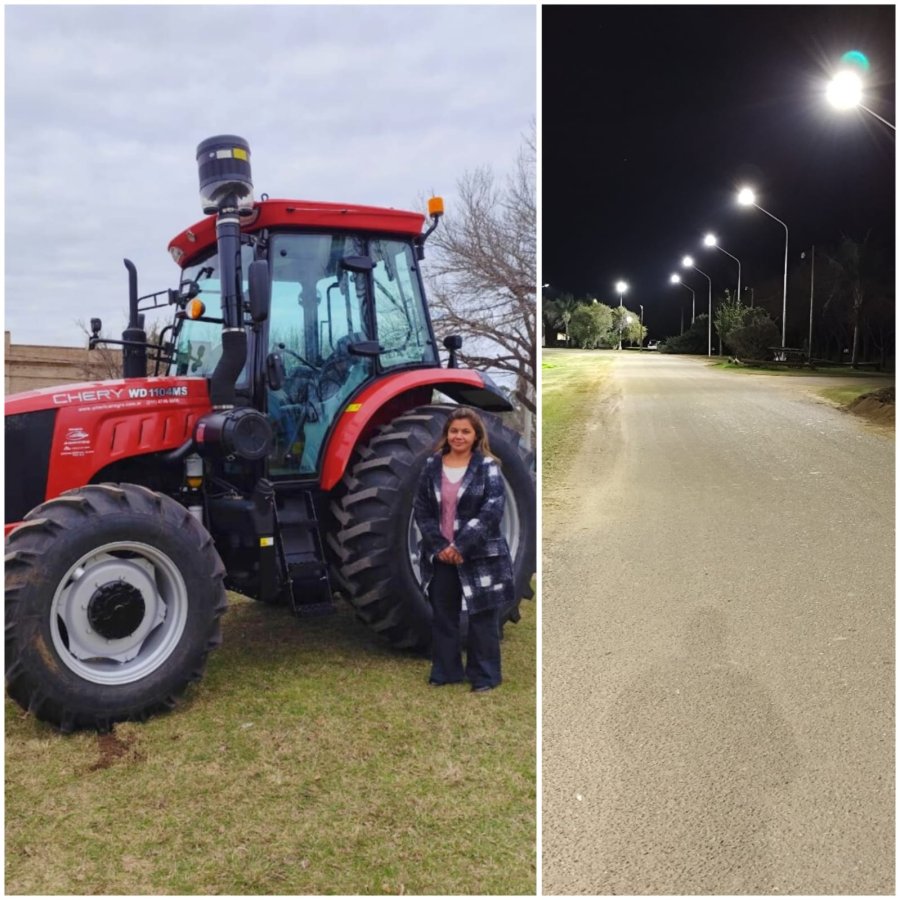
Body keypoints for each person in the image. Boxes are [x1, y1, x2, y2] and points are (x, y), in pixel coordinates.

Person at [413, 407, 515, 692]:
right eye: (454, 431)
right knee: (443, 615)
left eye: (465, 431)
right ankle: (446, 672)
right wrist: (440, 546)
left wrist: (461, 546)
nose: (458, 436)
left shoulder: (487, 466)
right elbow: (422, 509)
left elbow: (492, 510)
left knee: (482, 616)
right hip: (442, 555)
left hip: (479, 554)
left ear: (475, 435)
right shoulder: (432, 465)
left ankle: (485, 676)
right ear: (447, 433)